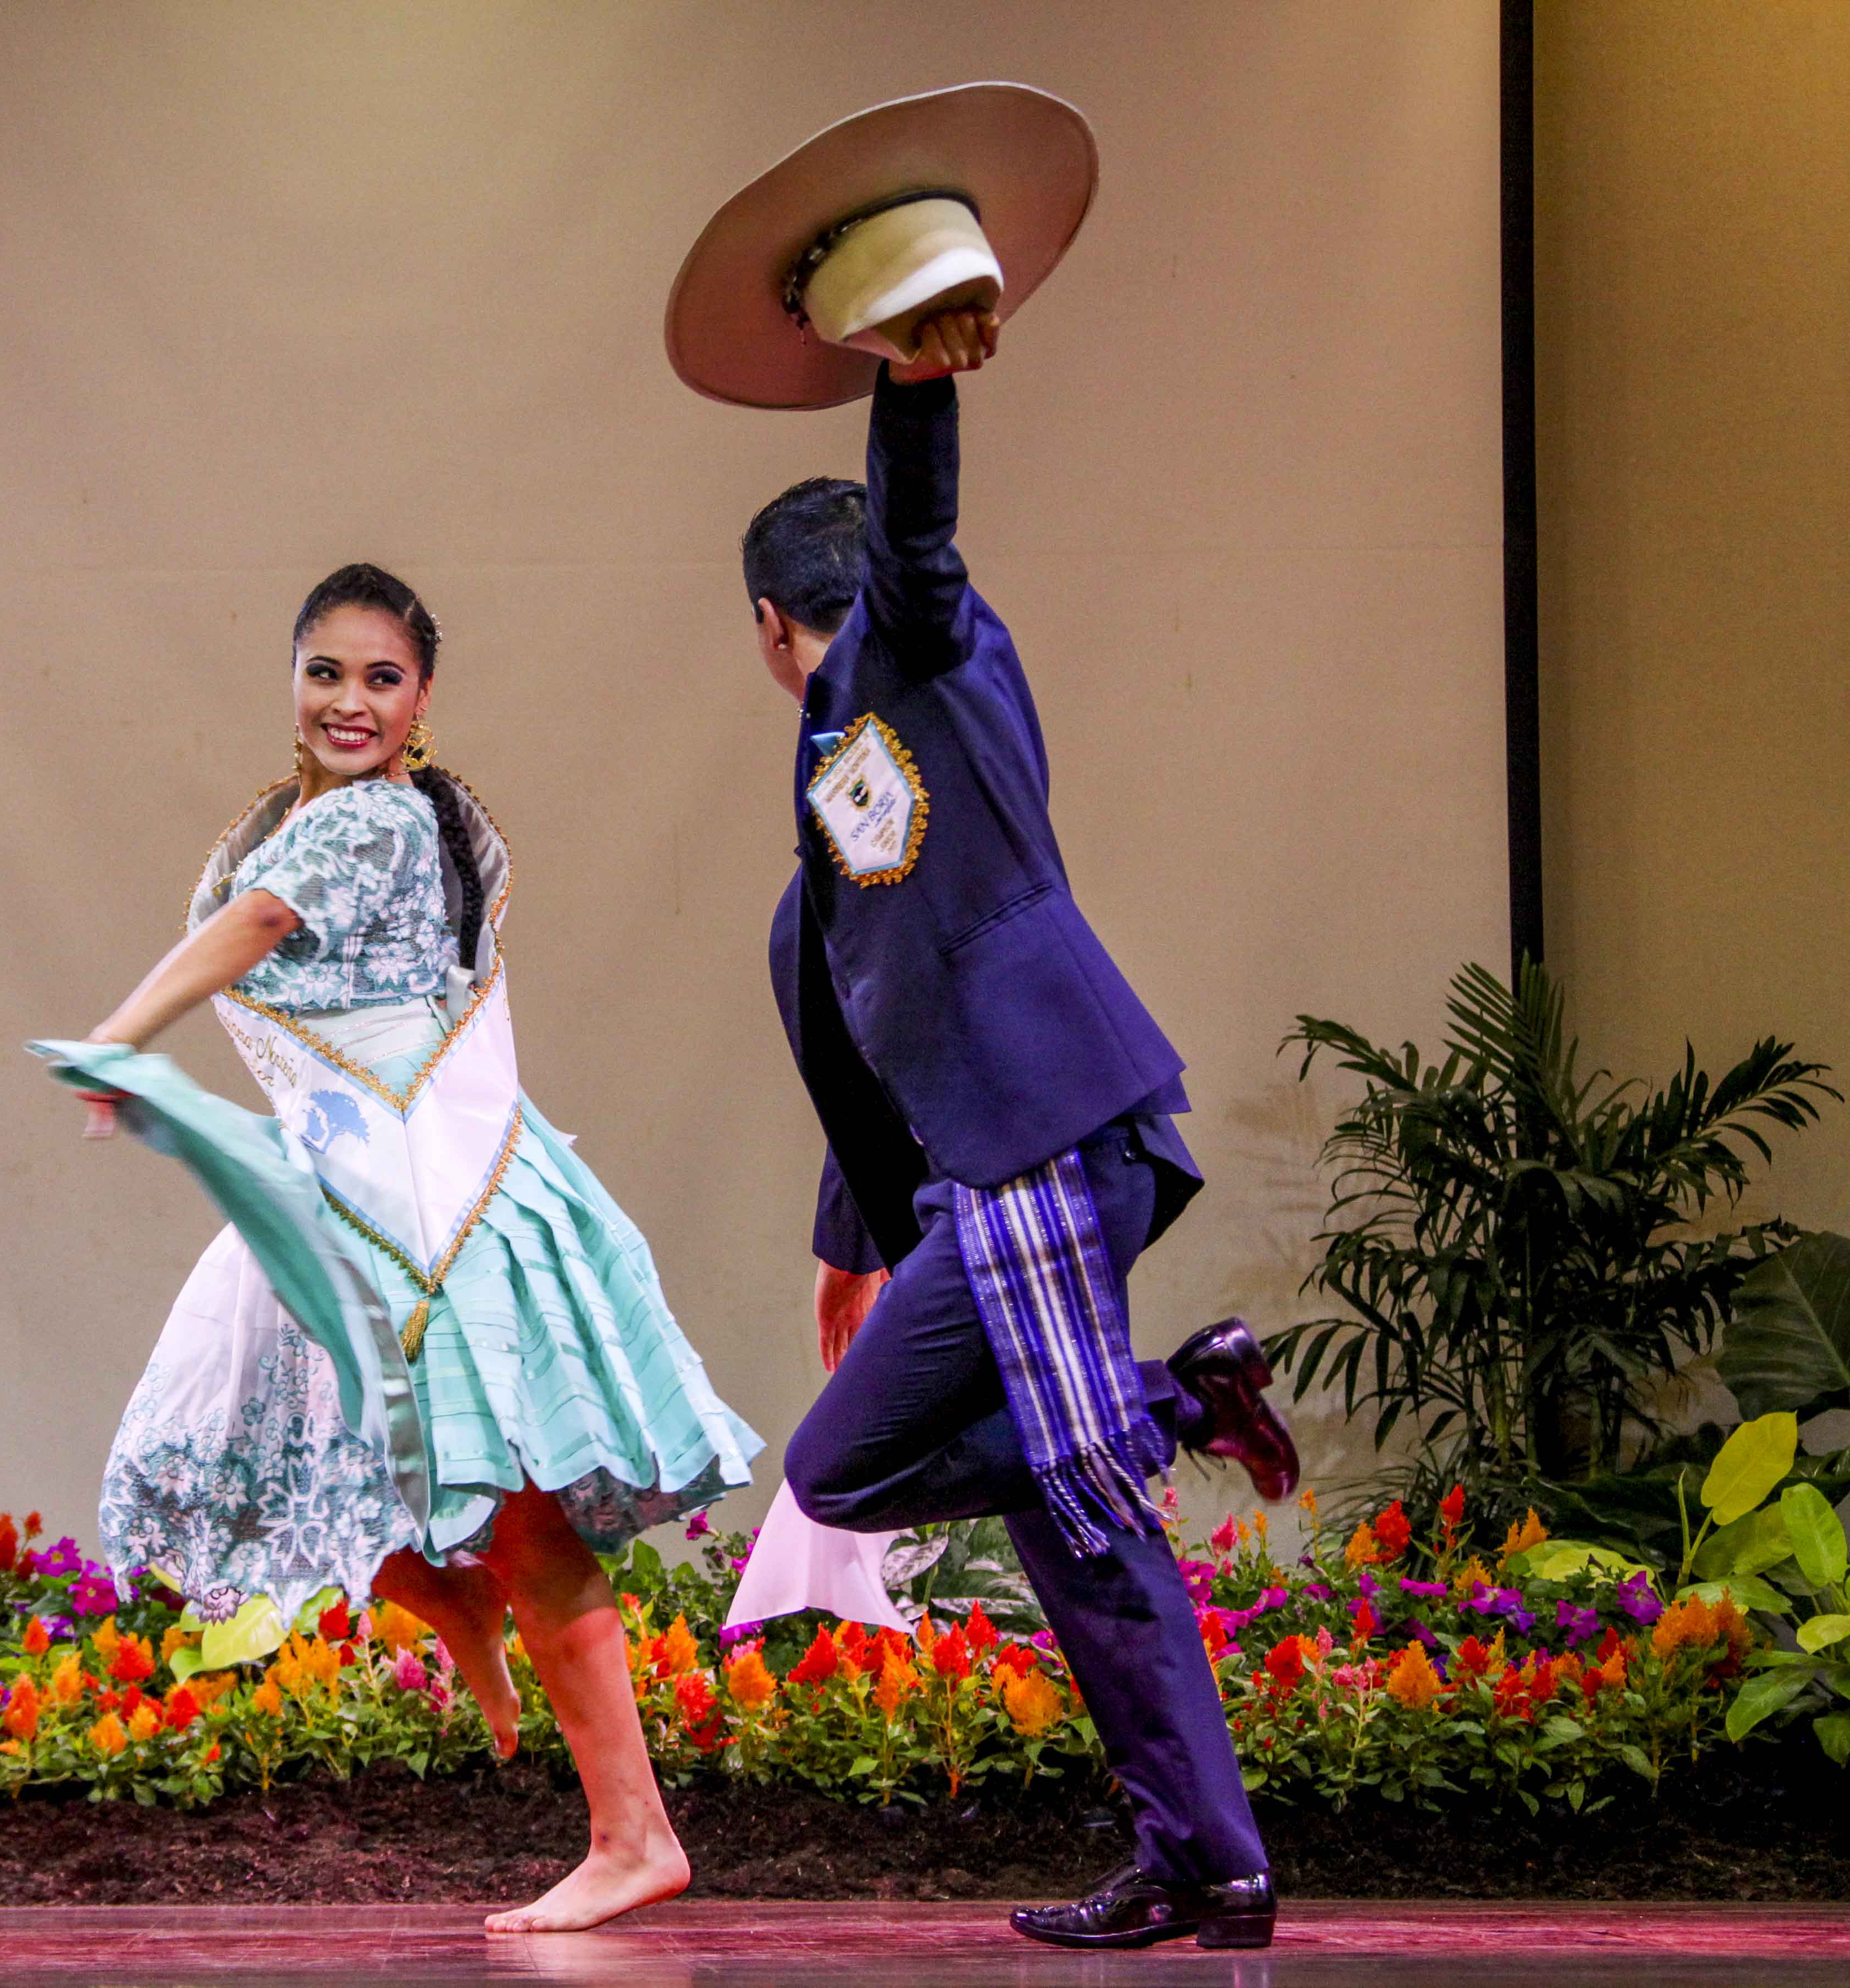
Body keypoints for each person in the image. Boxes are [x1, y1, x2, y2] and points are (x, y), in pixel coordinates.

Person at [35, 564, 762, 1933]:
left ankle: (634, 1834)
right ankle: (468, 1616)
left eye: (382, 677)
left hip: (435, 1199)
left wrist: (117, 1036)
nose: (349, 700)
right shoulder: (311, 810)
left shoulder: (372, 822)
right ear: (291, 677)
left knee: (518, 1516)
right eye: (326, 671)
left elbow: (253, 926)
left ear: (423, 698)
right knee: (337, 1477)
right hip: (353, 1195)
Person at [746, 304, 1302, 1952]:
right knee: (1038, 1500)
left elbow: (920, 545)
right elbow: (868, 1065)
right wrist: (850, 1249)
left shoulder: (921, 656)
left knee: (956, 1474)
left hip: (1050, 1135)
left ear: (774, 624)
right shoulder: (826, 831)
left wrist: (912, 379)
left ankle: (1216, 1842)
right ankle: (1196, 1844)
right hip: (1001, 1178)